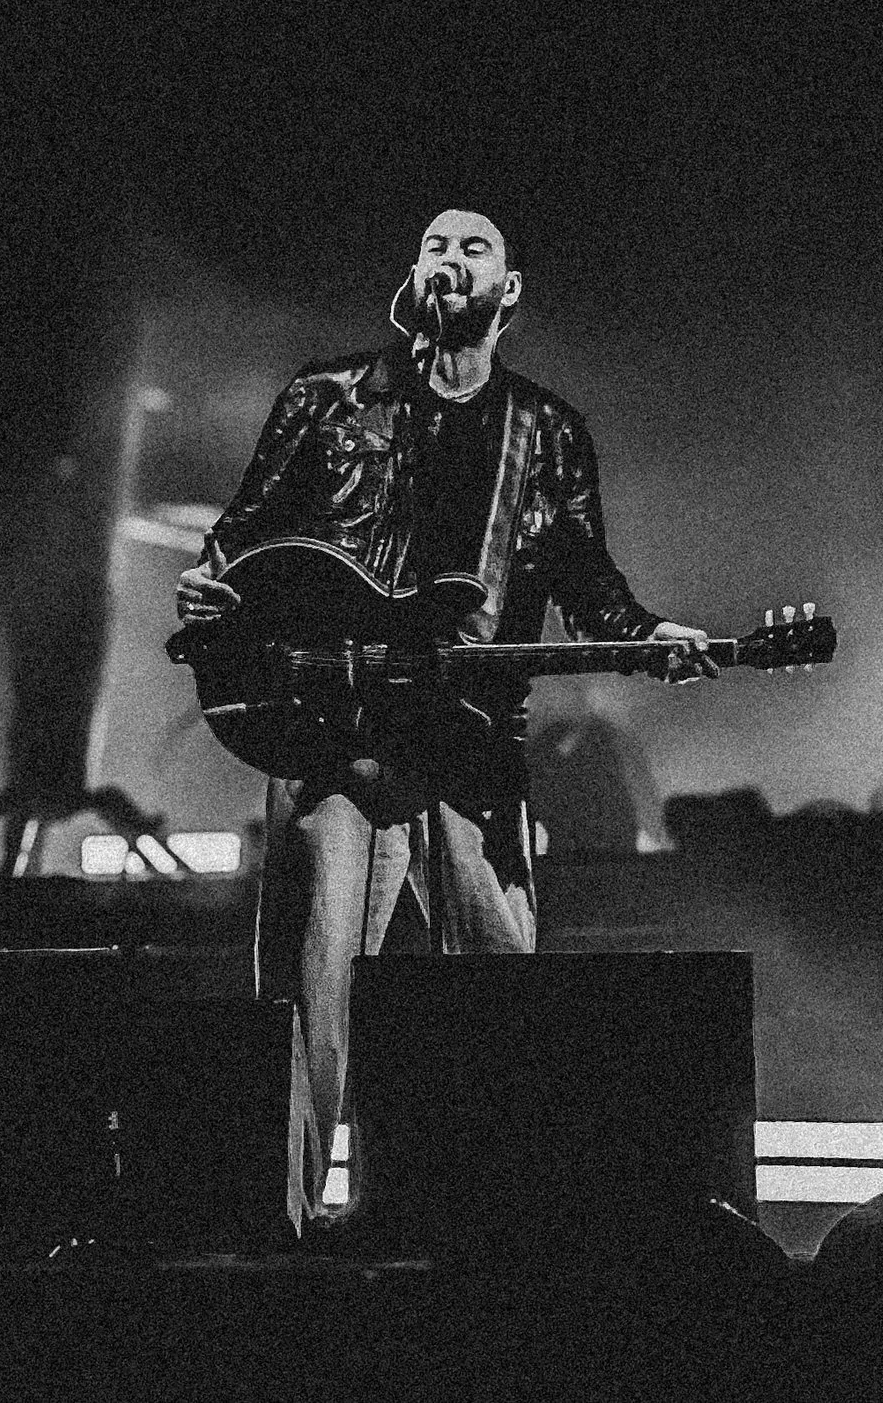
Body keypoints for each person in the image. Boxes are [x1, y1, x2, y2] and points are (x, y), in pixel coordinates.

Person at [175, 207, 715, 1212]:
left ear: (508, 290)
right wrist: (213, 591)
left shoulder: (546, 430)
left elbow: (584, 573)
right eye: (434, 246)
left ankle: (495, 1222)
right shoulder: (328, 399)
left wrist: (644, 631)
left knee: (497, 990)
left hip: (469, 736)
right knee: (308, 996)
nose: (449, 260)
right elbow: (243, 540)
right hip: (335, 734)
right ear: (413, 276)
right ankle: (276, 1226)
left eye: (474, 250)